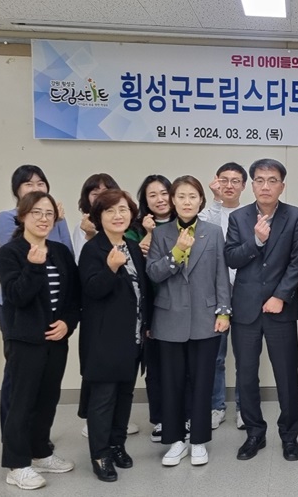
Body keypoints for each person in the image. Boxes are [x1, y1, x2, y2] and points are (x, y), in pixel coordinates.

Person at [0, 191, 80, 490]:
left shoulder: (61, 252)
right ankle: (17, 464)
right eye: (36, 213)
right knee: (22, 401)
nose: (43, 219)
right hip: (24, 340)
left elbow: (74, 297)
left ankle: (41, 452)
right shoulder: (10, 253)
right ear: (22, 216)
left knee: (47, 399)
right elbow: (16, 296)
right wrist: (33, 266)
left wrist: (68, 323)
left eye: (49, 214)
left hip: (56, 340)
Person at [225, 158, 298, 462]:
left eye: (272, 180)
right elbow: (232, 257)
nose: (265, 186)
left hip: (279, 309)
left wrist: (280, 296)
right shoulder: (239, 217)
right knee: (246, 375)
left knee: (286, 375)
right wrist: (257, 242)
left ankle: (289, 436)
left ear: (282, 186)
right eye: (260, 180)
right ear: (252, 185)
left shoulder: (296, 216)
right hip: (245, 309)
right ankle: (254, 433)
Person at [146, 175, 231, 467]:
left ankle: (198, 441)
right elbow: (154, 273)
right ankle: (175, 441)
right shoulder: (161, 234)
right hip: (169, 319)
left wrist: (223, 312)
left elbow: (221, 274)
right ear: (172, 200)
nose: (186, 202)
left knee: (202, 382)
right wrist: (177, 252)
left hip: (205, 318)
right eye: (181, 196)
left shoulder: (213, 232)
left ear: (201, 201)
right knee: (171, 383)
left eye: (192, 196)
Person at [0, 165, 74, 432]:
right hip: (21, 320)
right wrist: (35, 264)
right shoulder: (8, 231)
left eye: (41, 183)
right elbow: (17, 280)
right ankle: (14, 445)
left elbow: (68, 269)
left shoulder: (57, 232)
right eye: (28, 184)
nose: (36, 187)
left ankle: (40, 445)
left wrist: (68, 321)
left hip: (54, 321)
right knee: (20, 388)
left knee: (48, 392)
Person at [78, 189, 149, 482]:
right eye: (110, 211)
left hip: (133, 336)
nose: (118, 216)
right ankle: (100, 454)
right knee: (104, 398)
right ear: (99, 216)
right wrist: (110, 268)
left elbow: (143, 290)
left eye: (123, 209)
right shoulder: (93, 249)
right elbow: (91, 290)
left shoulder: (131, 246)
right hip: (104, 339)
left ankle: (117, 444)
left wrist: (147, 324)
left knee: (124, 394)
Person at [125, 175, 177, 443]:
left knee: (183, 367)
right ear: (144, 201)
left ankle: (184, 416)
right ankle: (159, 419)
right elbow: (133, 266)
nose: (160, 199)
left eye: (164, 193)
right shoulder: (134, 230)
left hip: (181, 306)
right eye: (152, 195)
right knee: (156, 367)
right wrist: (148, 234)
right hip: (151, 308)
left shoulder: (185, 223)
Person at [199, 162, 248, 430]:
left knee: (245, 356)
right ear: (216, 181)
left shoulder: (251, 214)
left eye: (235, 181)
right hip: (215, 294)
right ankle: (216, 406)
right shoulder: (207, 214)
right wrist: (216, 201)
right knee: (215, 356)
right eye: (224, 180)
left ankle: (243, 408)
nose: (229, 185)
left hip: (243, 292)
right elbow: (209, 240)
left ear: (244, 185)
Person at [72, 173, 120, 263]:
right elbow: (80, 260)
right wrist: (89, 235)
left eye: (106, 192)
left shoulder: (122, 221)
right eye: (95, 194)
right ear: (87, 198)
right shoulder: (82, 226)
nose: (101, 197)